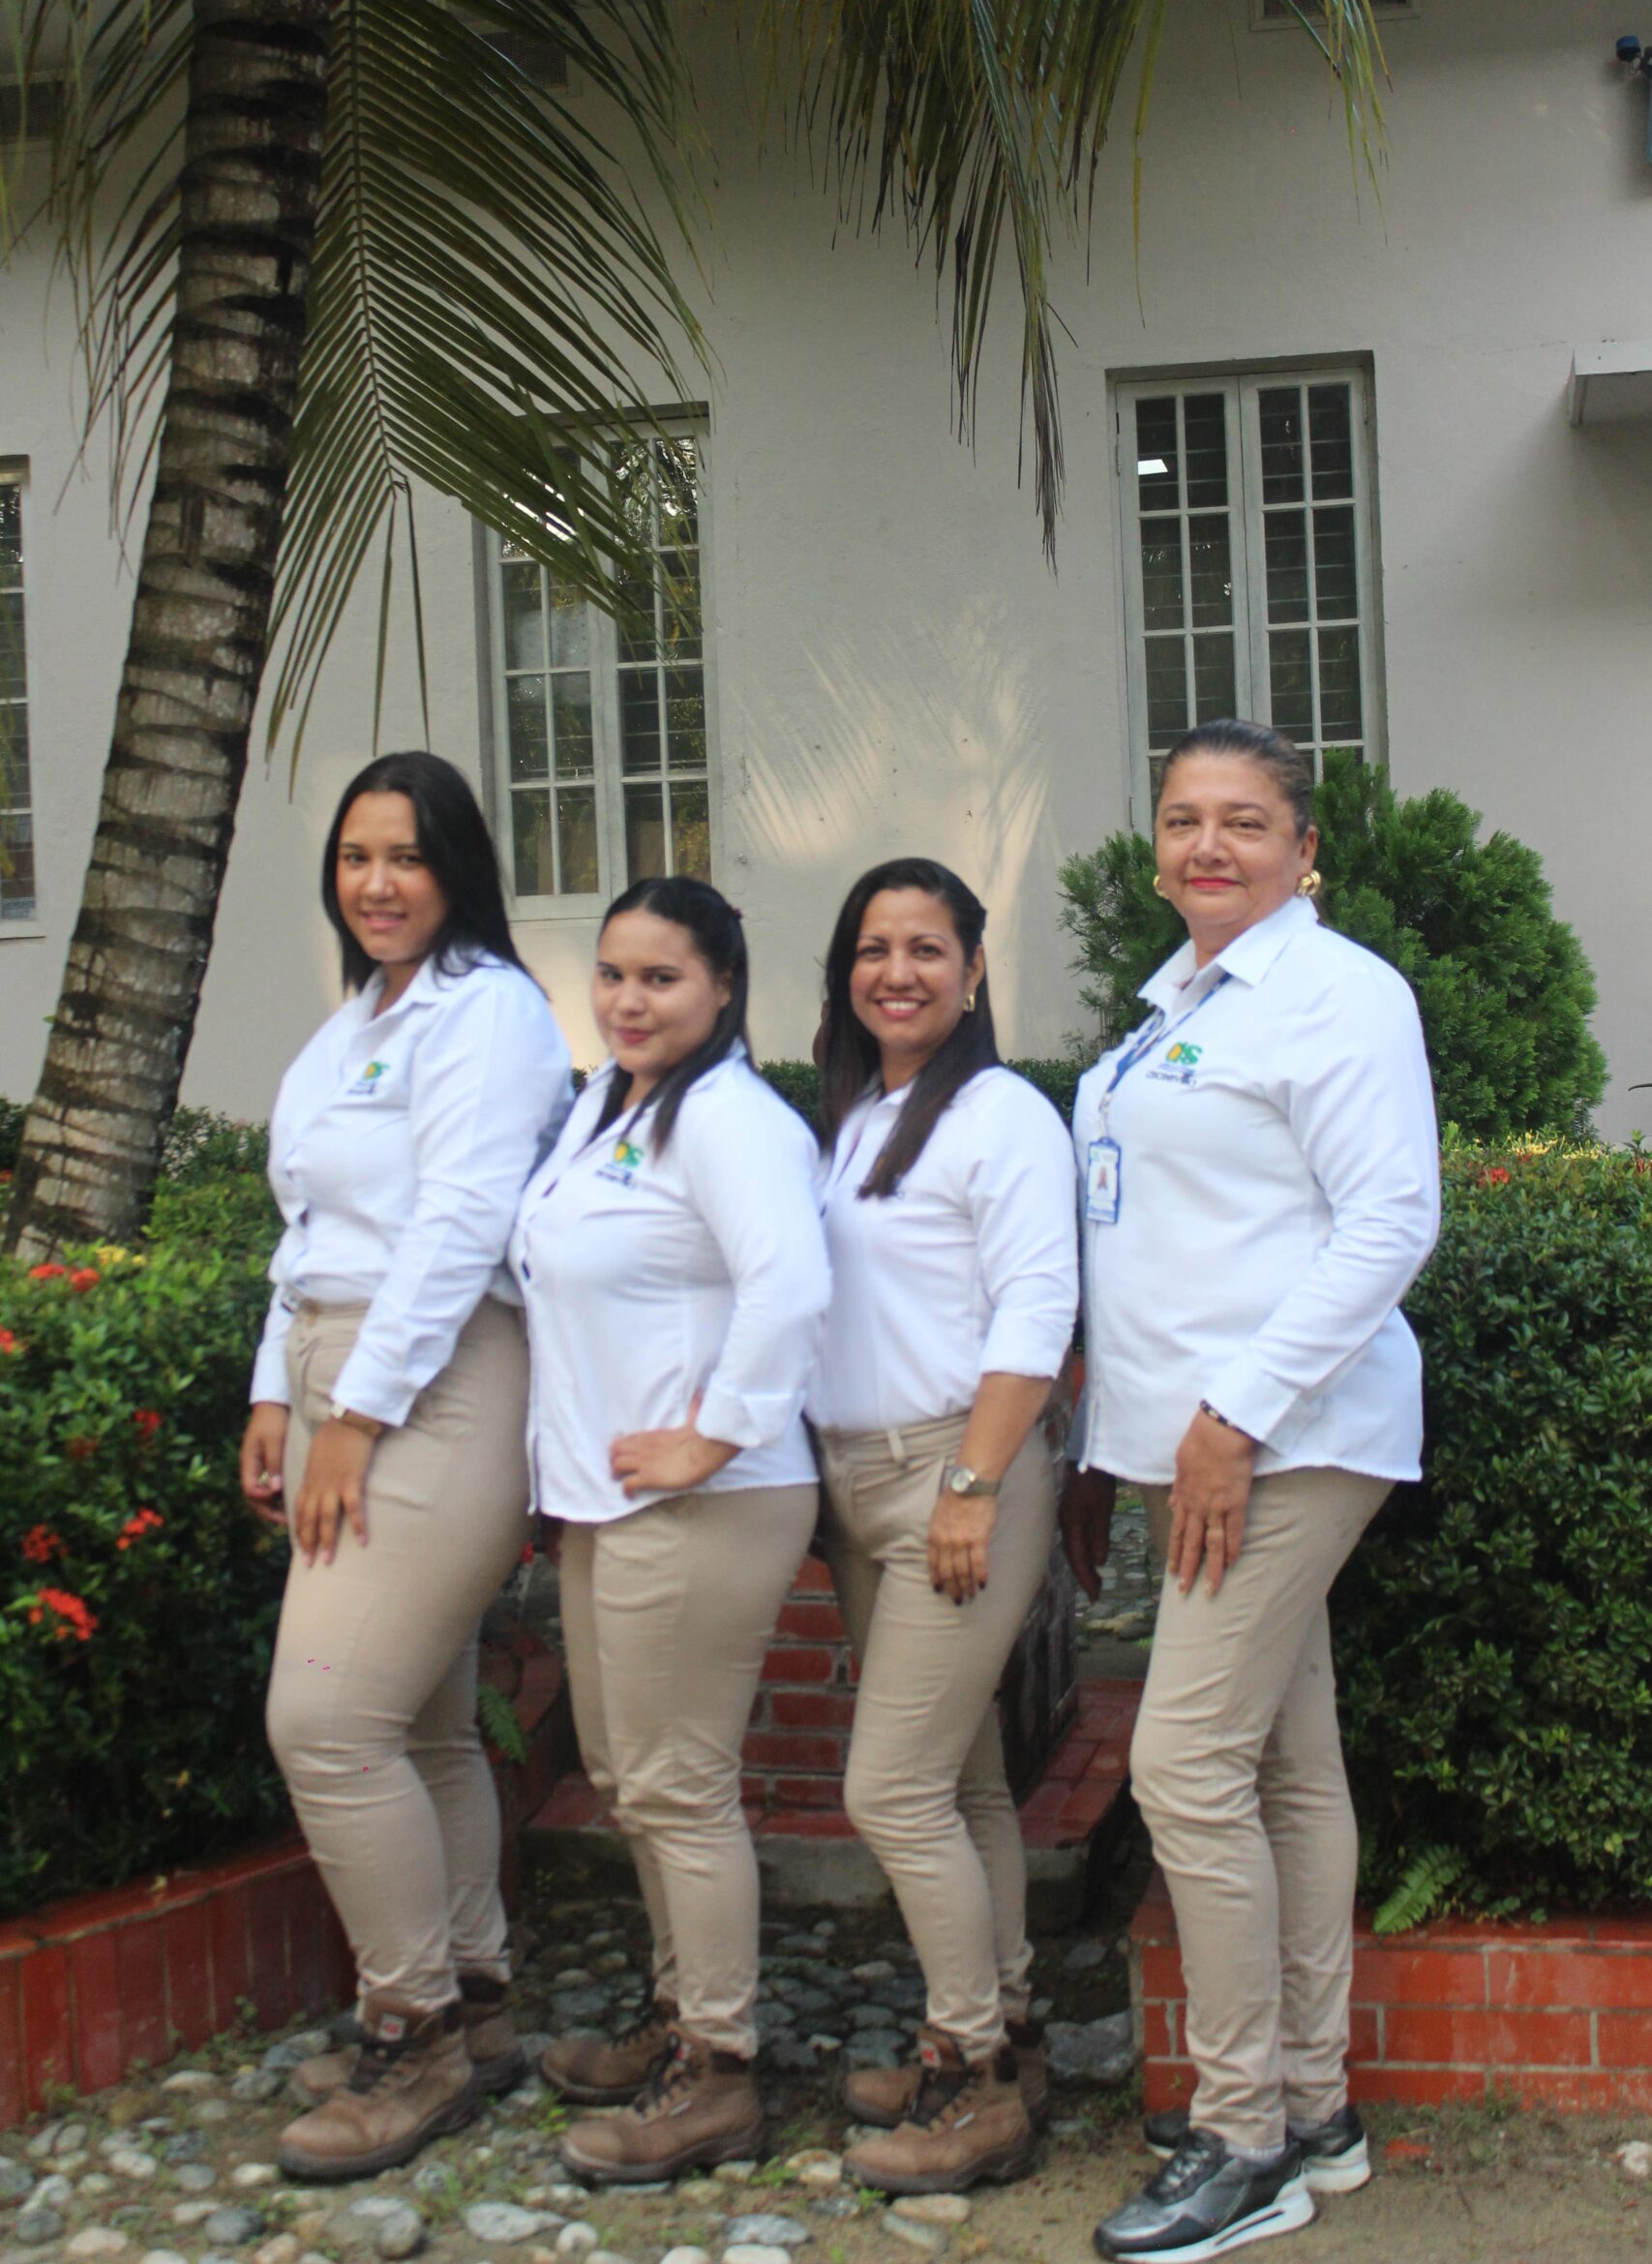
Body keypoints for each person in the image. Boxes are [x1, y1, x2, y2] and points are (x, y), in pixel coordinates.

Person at [1064, 719, 1440, 2264]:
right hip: (1198, 1445)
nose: (1207, 845)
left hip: (1286, 1437)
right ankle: (1311, 2103)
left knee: (1185, 1765)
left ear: (1304, 849)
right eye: (1182, 819)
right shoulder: (1175, 1003)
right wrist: (1128, 1439)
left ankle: (1242, 2140)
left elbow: (1391, 1218)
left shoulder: (1338, 993)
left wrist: (1235, 1414)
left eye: (1243, 821)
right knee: (1284, 1764)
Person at [239, 751, 573, 2184]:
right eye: (356, 856)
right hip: (341, 1371)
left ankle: (413, 2029)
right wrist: (278, 1393)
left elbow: (454, 1228)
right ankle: (478, 2001)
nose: (377, 884)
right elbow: (308, 1231)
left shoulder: (488, 1013)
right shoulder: (355, 1023)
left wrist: (357, 1416)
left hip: (437, 1384)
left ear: (458, 871)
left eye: (408, 857)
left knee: (325, 1721)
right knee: (425, 1725)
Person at [512, 876, 829, 2185]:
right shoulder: (610, 1103)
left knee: (678, 1785)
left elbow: (790, 1284)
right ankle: (678, 2012)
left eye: (662, 978)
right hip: (608, 1498)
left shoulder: (731, 1120)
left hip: (707, 1501)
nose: (629, 1001)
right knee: (628, 1776)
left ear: (723, 988)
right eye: (613, 974)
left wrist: (715, 1433)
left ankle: (720, 2072)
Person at [807, 858, 1079, 2197]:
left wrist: (971, 1485)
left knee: (892, 1790)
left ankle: (968, 2077)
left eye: (926, 949)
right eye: (874, 948)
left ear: (973, 973)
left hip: (958, 1478)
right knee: (962, 1788)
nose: (897, 972)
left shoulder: (1001, 1115)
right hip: (859, 1481)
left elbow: (1038, 1307)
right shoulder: (857, 1115)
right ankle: (1008, 2031)